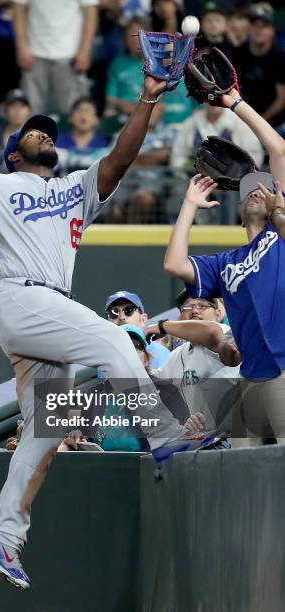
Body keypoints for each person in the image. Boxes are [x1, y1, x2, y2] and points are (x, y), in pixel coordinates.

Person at [0, 72, 199, 589]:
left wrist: (149, 98)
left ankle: (4, 536)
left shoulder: (74, 188)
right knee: (114, 340)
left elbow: (121, 159)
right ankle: (163, 431)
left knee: (43, 431)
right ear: (13, 153)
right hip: (22, 297)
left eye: (47, 131)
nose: (42, 133)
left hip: (48, 313)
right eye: (31, 132)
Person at [163, 81, 285, 443]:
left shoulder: (278, 237)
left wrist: (235, 102)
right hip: (250, 376)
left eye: (263, 188)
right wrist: (189, 204)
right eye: (248, 190)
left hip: (283, 369)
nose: (255, 193)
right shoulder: (227, 263)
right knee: (246, 476)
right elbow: (174, 264)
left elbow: (277, 147)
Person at [145, 290, 240, 432]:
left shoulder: (225, 333)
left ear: (218, 314)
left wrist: (161, 326)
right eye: (188, 307)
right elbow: (156, 383)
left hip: (235, 436)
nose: (195, 311)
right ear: (179, 318)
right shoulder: (177, 354)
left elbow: (211, 332)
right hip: (204, 441)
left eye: (203, 306)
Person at [12, 0, 98, 115]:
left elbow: (90, 13)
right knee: (31, 111)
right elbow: (18, 9)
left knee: (74, 111)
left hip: (70, 54)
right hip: (34, 52)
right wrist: (21, 46)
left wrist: (85, 51)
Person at [232, 4, 285, 127]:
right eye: (255, 26)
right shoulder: (238, 53)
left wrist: (258, 122)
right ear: (249, 29)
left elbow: (281, 100)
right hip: (242, 117)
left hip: (272, 122)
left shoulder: (280, 57)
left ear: (272, 30)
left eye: (264, 26)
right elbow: (232, 88)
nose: (259, 30)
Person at [170, 104, 264, 171]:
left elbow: (254, 158)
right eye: (208, 96)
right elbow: (177, 158)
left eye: (217, 97)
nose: (213, 101)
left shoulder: (240, 122)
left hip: (233, 189)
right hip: (197, 186)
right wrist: (192, 167)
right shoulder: (191, 123)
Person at [104, 290, 170, 368]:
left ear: (143, 320)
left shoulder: (162, 354)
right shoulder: (101, 354)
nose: (121, 317)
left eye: (129, 311)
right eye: (114, 313)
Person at [0, 88, 31, 173]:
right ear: (5, 110)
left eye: (22, 106)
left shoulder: (36, 136)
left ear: (29, 111)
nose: (17, 111)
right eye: (13, 106)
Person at [104, 17, 147, 117]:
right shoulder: (117, 64)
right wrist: (123, 104)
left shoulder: (158, 63)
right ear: (125, 41)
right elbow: (110, 98)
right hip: (124, 113)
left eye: (138, 35)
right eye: (130, 36)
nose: (135, 40)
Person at [56, 96, 109, 173]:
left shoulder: (105, 144)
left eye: (88, 111)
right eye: (79, 110)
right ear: (70, 118)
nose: (83, 115)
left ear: (96, 120)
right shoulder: (57, 141)